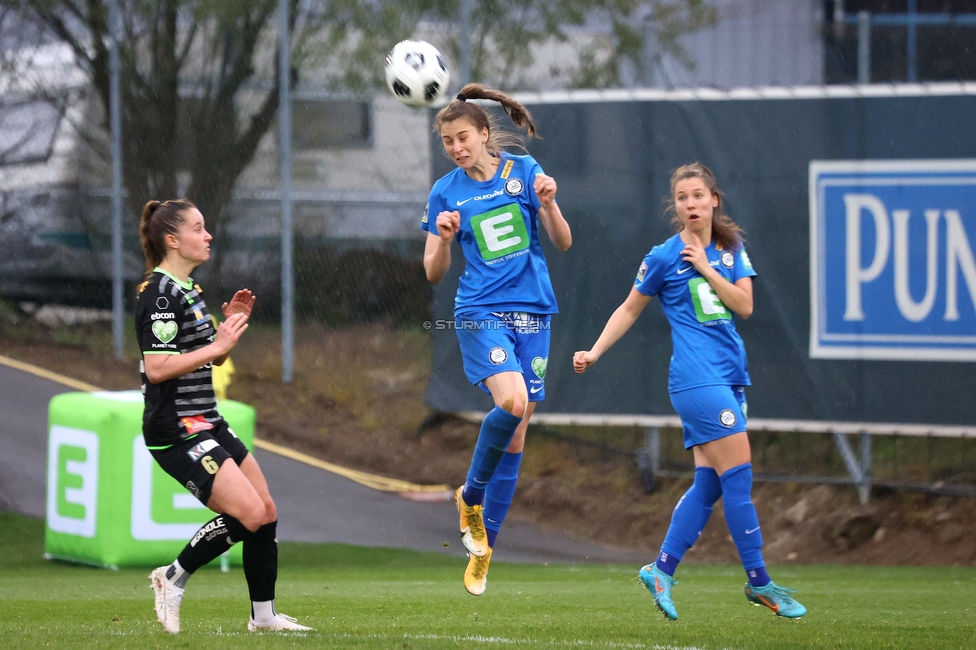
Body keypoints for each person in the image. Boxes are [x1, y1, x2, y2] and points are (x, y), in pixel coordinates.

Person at [573, 164, 805, 620]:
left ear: (714, 199)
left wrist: (705, 267)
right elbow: (630, 308)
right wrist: (595, 351)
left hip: (730, 377)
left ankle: (660, 571)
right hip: (697, 380)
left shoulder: (732, 248)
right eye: (682, 198)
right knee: (739, 479)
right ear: (675, 206)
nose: (691, 204)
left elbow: (745, 305)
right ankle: (761, 584)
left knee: (709, 485)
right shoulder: (663, 256)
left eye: (698, 195)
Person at [422, 83, 572, 595]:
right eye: (447, 141)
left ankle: (484, 548)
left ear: (485, 134)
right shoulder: (445, 192)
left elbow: (563, 241)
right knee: (512, 402)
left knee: (519, 429)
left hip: (534, 314)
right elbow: (433, 272)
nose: (456, 148)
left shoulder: (524, 173)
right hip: (481, 312)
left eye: (463, 137)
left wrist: (550, 206)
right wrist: (442, 240)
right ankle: (471, 494)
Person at [135, 199, 311, 633]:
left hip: (205, 420)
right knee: (248, 513)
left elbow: (202, 360)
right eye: (199, 228)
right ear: (173, 240)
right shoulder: (158, 293)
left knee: (265, 511)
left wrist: (224, 333)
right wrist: (215, 347)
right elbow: (158, 369)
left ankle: (264, 617)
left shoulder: (189, 289)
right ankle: (173, 575)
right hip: (175, 428)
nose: (208, 235)